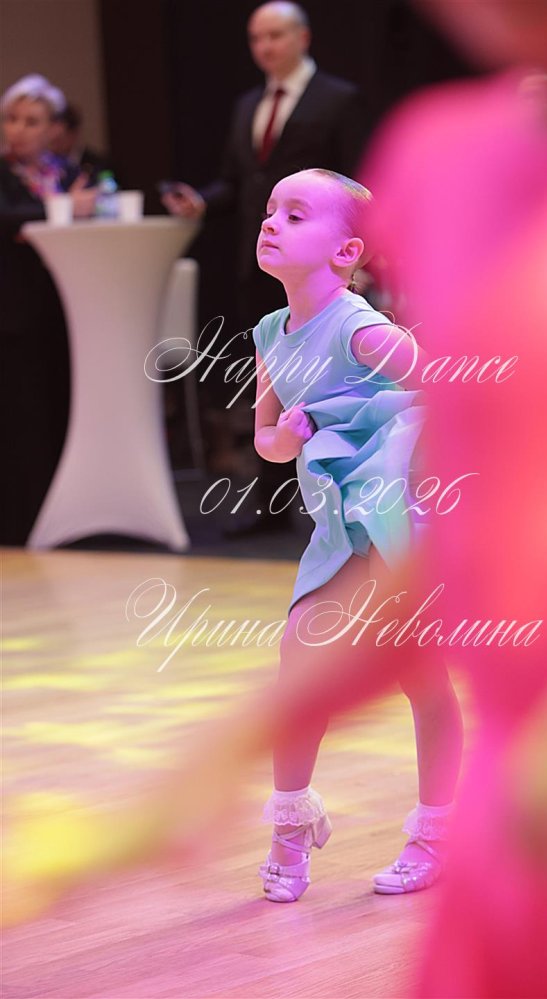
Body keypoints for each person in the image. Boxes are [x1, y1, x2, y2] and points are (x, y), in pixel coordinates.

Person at [251, 167, 463, 901]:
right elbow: (267, 441)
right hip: (337, 527)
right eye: (271, 210)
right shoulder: (270, 334)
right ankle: (290, 825)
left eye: (296, 214)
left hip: (397, 523)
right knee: (298, 664)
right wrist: (287, 434)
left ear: (345, 253)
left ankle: (436, 832)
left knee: (419, 676)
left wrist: (379, 432)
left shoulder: (359, 328)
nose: (272, 222)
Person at [163, 2, 368, 524]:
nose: (265, 47)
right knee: (273, 379)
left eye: (275, 35)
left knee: (332, 379)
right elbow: (241, 182)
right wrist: (203, 202)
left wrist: (360, 259)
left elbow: (356, 186)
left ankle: (346, 500)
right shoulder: (248, 105)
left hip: (324, 268)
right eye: (257, 38)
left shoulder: (338, 99)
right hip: (262, 266)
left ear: (303, 37)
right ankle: (273, 506)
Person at [0, 74, 97, 545]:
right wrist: (62, 210)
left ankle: (66, 517)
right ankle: (20, 522)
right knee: (22, 417)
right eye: (12, 119)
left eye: (31, 121)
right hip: (14, 314)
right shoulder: (5, 175)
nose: (18, 130)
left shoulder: (67, 173)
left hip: (68, 310)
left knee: (62, 410)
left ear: (53, 128)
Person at [49, 103, 112, 184]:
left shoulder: (98, 163)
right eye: (50, 139)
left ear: (74, 133)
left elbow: (110, 188)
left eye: (58, 139)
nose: (52, 144)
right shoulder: (45, 163)